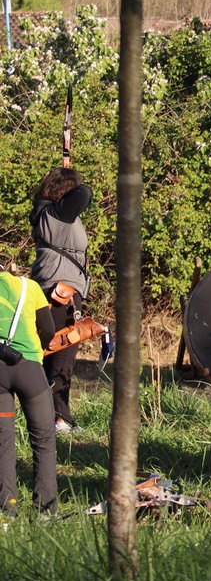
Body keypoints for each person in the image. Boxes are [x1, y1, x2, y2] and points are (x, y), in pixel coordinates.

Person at [30, 163, 92, 434]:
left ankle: (51, 417)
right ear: (65, 191)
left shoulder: (50, 212)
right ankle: (60, 419)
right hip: (60, 293)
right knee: (61, 355)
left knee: (54, 355)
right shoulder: (57, 213)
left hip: (56, 289)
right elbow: (85, 193)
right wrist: (71, 181)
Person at [0, 265, 57, 516]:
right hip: (29, 370)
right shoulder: (29, 286)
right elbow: (49, 330)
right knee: (43, 439)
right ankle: (45, 511)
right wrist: (37, 351)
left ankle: (7, 511)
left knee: (3, 441)